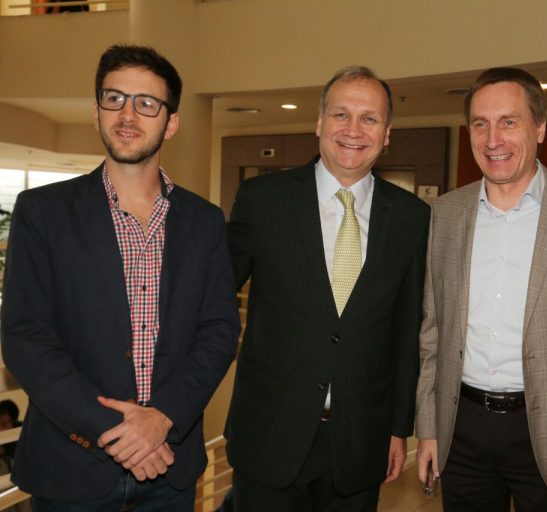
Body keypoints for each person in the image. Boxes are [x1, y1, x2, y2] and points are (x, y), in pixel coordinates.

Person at [0, 44, 240, 510]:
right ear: (97, 113)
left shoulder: (205, 221)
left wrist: (162, 419)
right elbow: (25, 338)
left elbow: (219, 331)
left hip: (171, 472)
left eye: (146, 103)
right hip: (72, 468)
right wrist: (123, 435)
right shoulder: (43, 212)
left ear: (171, 122)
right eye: (115, 99)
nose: (127, 114)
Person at [225, 65, 430, 511]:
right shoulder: (263, 200)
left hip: (360, 443)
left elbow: (405, 333)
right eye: (341, 114)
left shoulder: (412, 217)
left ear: (387, 134)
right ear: (319, 123)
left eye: (369, 118)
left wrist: (399, 428)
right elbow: (212, 301)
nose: (353, 130)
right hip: (269, 437)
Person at [415, 67, 547, 512]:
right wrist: (428, 429)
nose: (493, 139)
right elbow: (431, 331)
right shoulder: (444, 214)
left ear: (540, 128)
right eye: (480, 124)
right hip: (462, 428)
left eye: (509, 121)